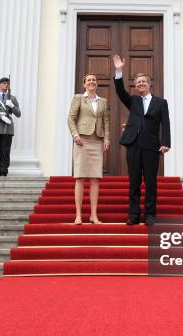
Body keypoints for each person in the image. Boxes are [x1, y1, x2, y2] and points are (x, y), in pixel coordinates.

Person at [112, 55, 171, 226]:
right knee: (134, 182)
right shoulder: (133, 101)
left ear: (149, 84)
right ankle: (134, 214)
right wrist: (119, 71)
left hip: (152, 147)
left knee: (151, 182)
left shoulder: (161, 103)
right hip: (134, 145)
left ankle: (150, 215)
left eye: (143, 82)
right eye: (138, 82)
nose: (140, 84)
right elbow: (120, 92)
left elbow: (165, 123)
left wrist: (165, 142)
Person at [67, 74, 110, 225]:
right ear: (84, 83)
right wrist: (75, 135)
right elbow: (71, 118)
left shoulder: (102, 101)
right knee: (79, 177)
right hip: (82, 141)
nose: (92, 82)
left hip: (97, 141)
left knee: (95, 178)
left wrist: (106, 139)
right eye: (89, 80)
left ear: (97, 84)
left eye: (94, 80)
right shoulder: (79, 98)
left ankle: (93, 215)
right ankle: (78, 215)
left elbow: (106, 122)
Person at [0, 77, 21, 176]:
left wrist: (12, 106)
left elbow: (18, 114)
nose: (6, 85)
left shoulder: (12, 98)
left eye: (8, 84)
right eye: (4, 83)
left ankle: (4, 170)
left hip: (8, 128)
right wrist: (0, 116)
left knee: (6, 151)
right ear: (0, 85)